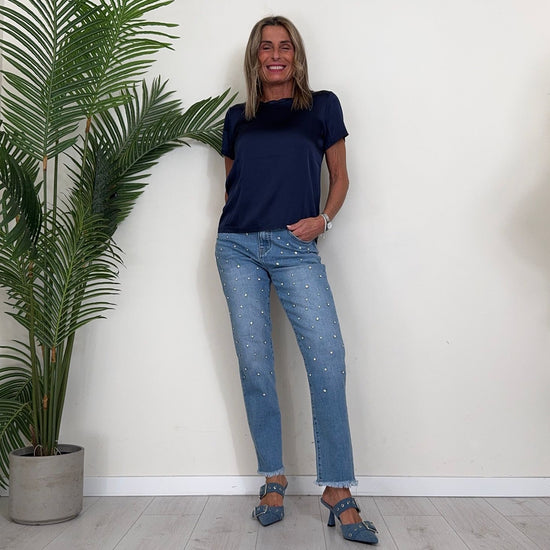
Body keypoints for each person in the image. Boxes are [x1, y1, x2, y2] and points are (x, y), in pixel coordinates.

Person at [215, 15, 378, 545]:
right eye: (266, 47)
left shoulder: (322, 106)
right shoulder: (237, 117)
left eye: (285, 46)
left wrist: (322, 220)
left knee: (328, 361)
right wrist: (243, 224)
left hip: (295, 248)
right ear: (255, 57)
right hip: (237, 247)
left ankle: (337, 487)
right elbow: (233, 185)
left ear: (296, 55)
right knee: (255, 365)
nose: (276, 55)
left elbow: (341, 176)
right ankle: (273, 479)